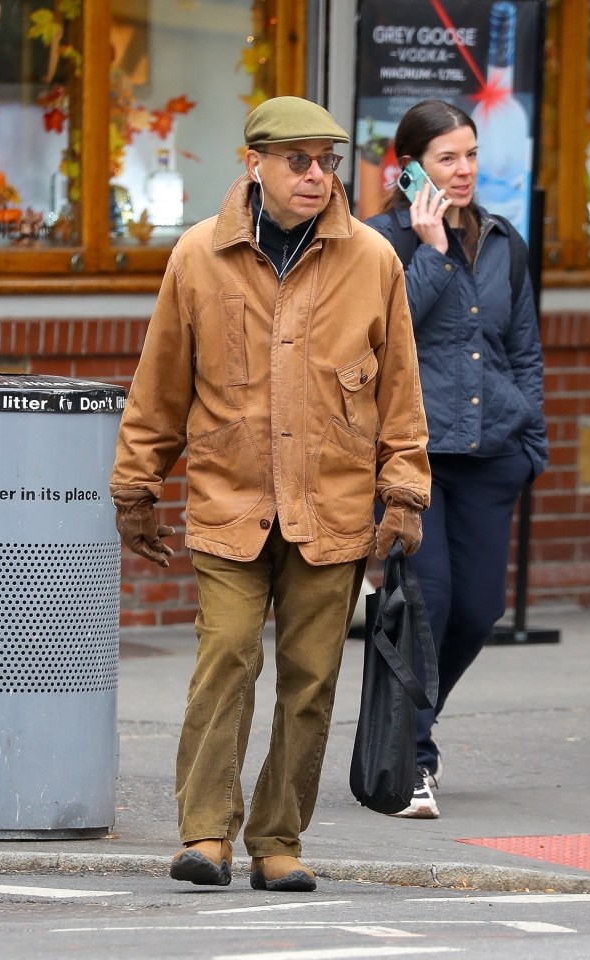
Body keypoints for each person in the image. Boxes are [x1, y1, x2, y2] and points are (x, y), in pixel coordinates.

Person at [110, 96, 431, 891]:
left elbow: (400, 390)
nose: (316, 175)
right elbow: (159, 388)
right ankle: (204, 833)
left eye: (326, 160)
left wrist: (404, 493)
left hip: (333, 505)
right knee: (224, 658)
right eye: (298, 160)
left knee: (312, 677)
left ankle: (277, 839)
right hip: (232, 500)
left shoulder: (372, 261)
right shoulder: (197, 257)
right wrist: (136, 490)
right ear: (253, 164)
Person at [365, 99, 548, 819]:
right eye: (446, 158)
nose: (464, 169)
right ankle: (412, 759)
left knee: (478, 608)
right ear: (409, 169)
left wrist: (529, 437)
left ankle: (409, 719)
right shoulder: (378, 242)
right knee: (426, 601)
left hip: (491, 452)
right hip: (414, 455)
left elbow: (523, 348)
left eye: (470, 154)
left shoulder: (505, 241)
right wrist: (432, 249)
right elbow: (382, 337)